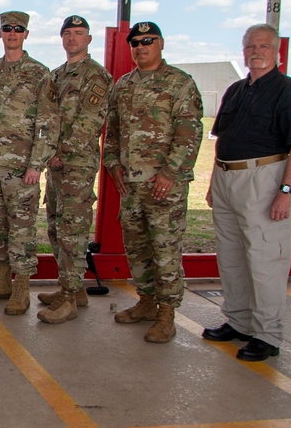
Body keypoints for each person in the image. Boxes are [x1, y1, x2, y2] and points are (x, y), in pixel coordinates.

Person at [202, 23, 291, 361]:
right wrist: (212, 184)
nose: (256, 51)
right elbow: (222, 140)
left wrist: (286, 191)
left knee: (265, 261)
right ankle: (239, 323)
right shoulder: (235, 90)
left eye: (263, 46)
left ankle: (267, 335)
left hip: (263, 179)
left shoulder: (288, 91)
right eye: (250, 46)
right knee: (232, 257)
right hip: (226, 179)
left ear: (277, 51)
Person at [104, 21, 203, 343]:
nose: (140, 47)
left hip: (164, 187)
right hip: (131, 186)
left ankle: (167, 313)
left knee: (165, 250)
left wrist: (170, 174)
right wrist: (114, 165)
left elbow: (189, 134)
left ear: (160, 43)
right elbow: (114, 133)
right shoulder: (123, 85)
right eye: (135, 42)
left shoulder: (179, 83)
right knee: (137, 249)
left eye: (147, 41)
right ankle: (147, 302)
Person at [0, 11, 59, 316]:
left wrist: (37, 163)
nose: (12, 33)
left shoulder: (39, 73)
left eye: (18, 29)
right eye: (7, 29)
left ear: (25, 35)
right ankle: (2, 281)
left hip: (23, 168)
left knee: (22, 228)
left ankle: (21, 288)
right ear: (0, 33)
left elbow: (47, 122)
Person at [37, 16, 112, 324]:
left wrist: (59, 152)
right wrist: (48, 154)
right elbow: (45, 119)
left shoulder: (96, 75)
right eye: (67, 33)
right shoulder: (56, 75)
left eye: (78, 34)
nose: (72, 38)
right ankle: (73, 288)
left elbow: (89, 122)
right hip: (55, 166)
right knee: (56, 226)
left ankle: (69, 297)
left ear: (88, 39)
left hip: (77, 165)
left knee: (73, 231)